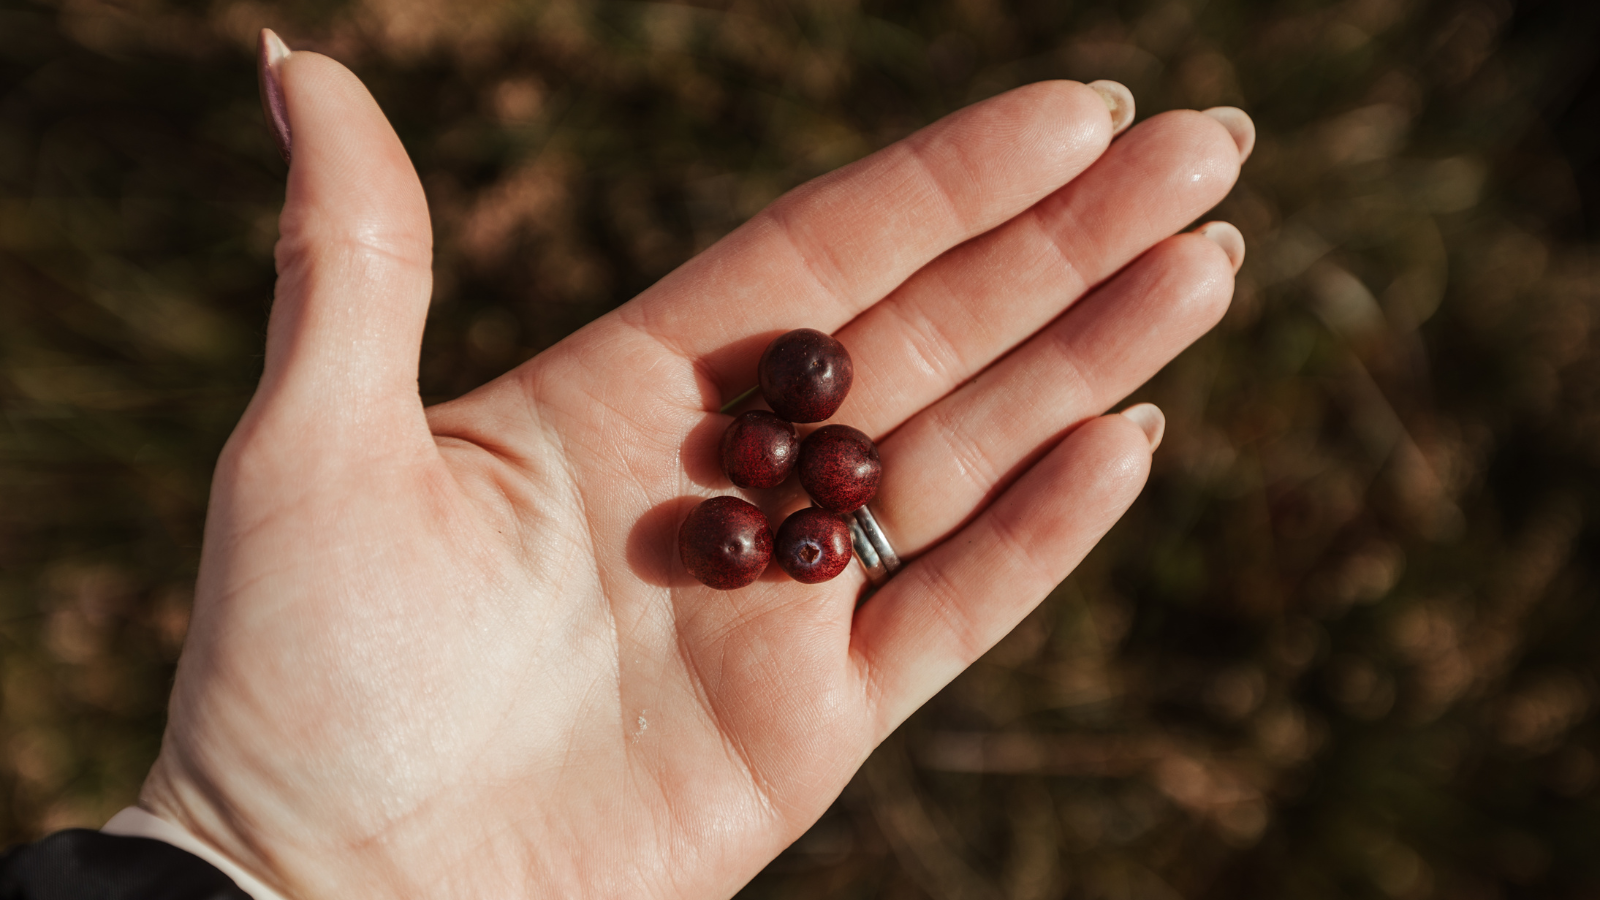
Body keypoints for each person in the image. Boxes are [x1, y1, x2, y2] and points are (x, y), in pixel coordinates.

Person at [0, 27, 1251, 900]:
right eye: (794, 529)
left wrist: (256, 869)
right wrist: (271, 859)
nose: (795, 538)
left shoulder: (783, 485)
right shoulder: (762, 490)